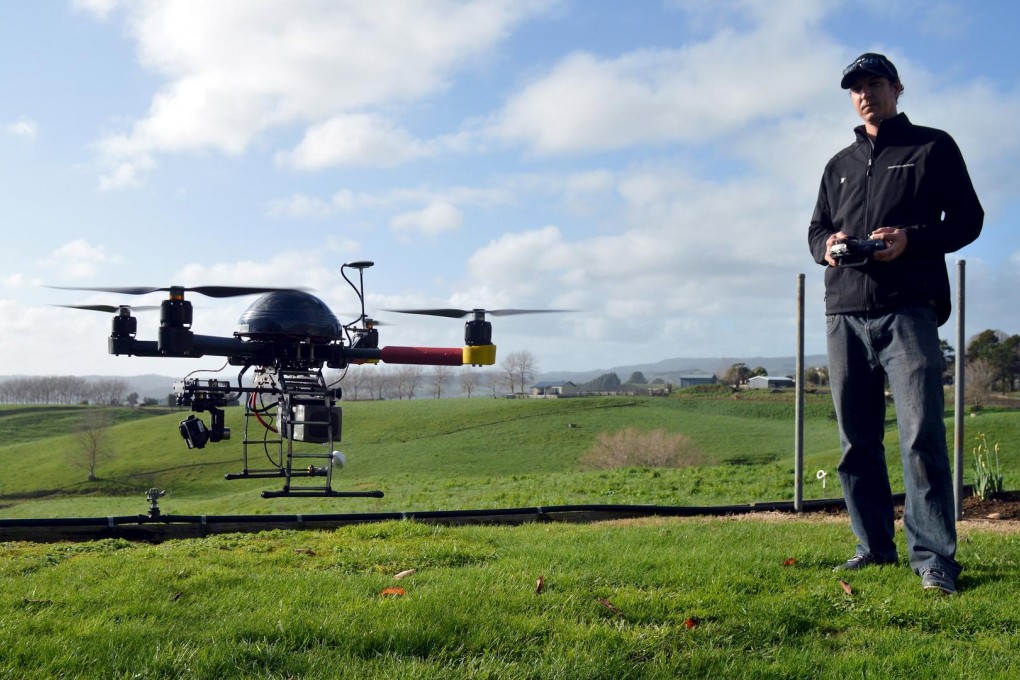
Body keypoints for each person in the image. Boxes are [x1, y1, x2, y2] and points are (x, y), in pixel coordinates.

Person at [808, 53, 984, 595]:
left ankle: (934, 560)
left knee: (919, 437)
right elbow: (815, 231)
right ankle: (873, 546)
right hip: (844, 314)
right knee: (855, 442)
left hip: (908, 310)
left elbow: (969, 220)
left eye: (875, 84)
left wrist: (911, 239)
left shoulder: (932, 146)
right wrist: (830, 247)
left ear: (897, 87)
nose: (866, 94)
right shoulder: (837, 163)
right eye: (857, 88)